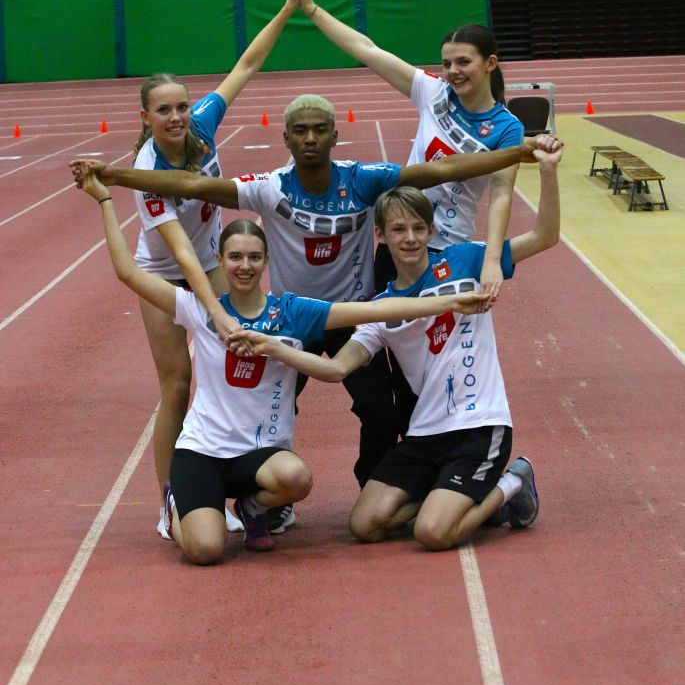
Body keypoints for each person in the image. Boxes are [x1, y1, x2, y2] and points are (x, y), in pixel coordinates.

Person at [71, 93, 560, 496]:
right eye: (300, 131)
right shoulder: (269, 188)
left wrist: (519, 152)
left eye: (320, 130)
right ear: (286, 139)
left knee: (382, 410)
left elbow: (441, 171)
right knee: (261, 403)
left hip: (351, 314)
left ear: (334, 136)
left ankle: (375, 484)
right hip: (293, 319)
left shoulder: (362, 180)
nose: (310, 138)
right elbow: (189, 184)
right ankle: (263, 500)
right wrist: (116, 175)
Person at [78, 166, 493, 564]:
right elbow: (128, 272)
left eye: (254, 257)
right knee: (205, 551)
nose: (244, 266)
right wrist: (105, 201)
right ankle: (176, 507)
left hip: (257, 457)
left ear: (266, 260)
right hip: (202, 451)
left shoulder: (292, 313)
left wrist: (448, 301)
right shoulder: (199, 310)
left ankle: (252, 507)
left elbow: (373, 310)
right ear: (219, 261)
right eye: (235, 257)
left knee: (297, 478)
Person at [228, 146, 563, 551]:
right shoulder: (381, 309)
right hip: (425, 434)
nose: (410, 238)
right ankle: (458, 497)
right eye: (399, 230)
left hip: (478, 426)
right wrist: (272, 346)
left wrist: (548, 172)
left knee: (432, 533)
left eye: (418, 228)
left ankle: (511, 483)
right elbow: (336, 370)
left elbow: (545, 236)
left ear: (430, 230)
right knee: (364, 524)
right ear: (381, 235)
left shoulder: (467, 261)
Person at [99, 0, 305, 540]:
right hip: (167, 267)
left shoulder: (203, 128)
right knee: (178, 382)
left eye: (181, 106)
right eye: (163, 110)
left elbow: (246, 65)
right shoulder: (148, 173)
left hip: (212, 257)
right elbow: (180, 252)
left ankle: (253, 481)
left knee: (253, 358)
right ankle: (170, 500)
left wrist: (287, 8)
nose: (176, 117)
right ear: (145, 117)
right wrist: (214, 310)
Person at [294, 0, 524, 298]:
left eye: (463, 62)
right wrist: (311, 9)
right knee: (382, 325)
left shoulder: (508, 128)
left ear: (490, 63)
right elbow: (367, 50)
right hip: (398, 239)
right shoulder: (434, 92)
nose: (453, 71)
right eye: (447, 63)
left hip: (447, 248)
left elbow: (501, 195)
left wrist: (491, 260)